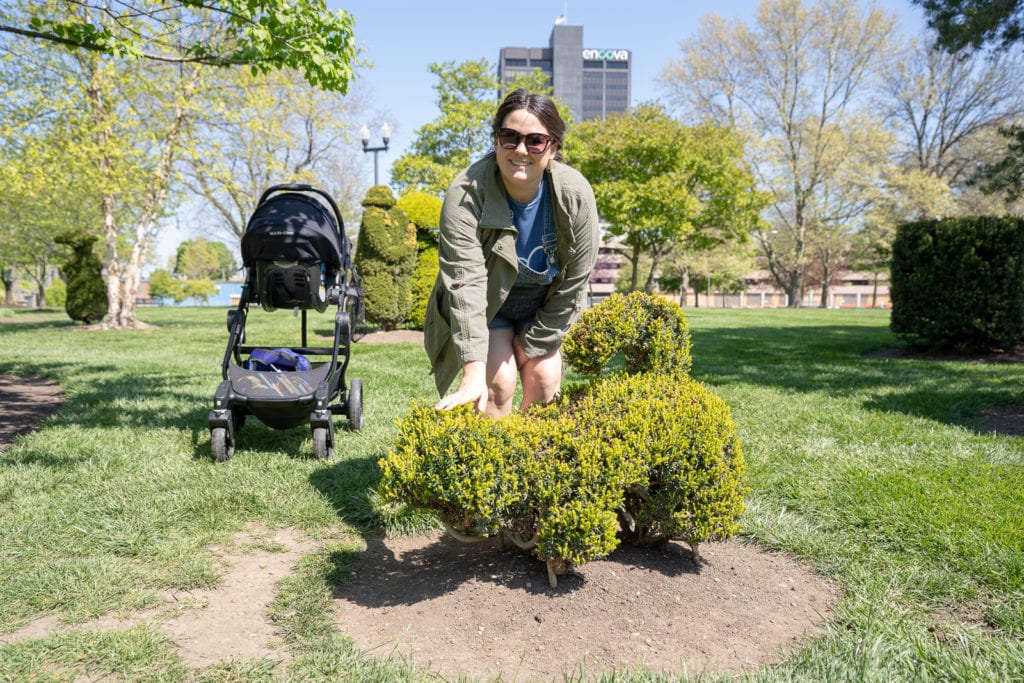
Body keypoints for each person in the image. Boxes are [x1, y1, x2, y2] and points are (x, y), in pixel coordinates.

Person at [424, 89, 600, 417]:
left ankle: (535, 464)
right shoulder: (465, 194)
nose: (521, 150)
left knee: (545, 378)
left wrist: (530, 344)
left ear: (553, 148)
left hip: (545, 308)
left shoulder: (575, 195)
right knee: (496, 385)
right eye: (510, 137)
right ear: (495, 141)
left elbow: (576, 279)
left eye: (535, 140)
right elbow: (465, 283)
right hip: (490, 306)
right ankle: (491, 464)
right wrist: (473, 371)